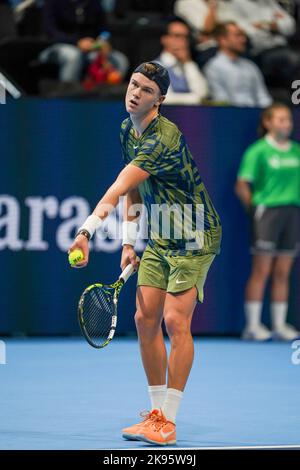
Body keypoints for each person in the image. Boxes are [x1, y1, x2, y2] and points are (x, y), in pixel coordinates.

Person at [68, 61, 222, 446]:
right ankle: (155, 414)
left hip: (194, 235)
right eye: (134, 85)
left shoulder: (162, 138)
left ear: (160, 100)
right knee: (143, 317)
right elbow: (135, 195)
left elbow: (120, 186)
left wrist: (86, 230)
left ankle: (167, 421)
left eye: (146, 91)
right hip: (159, 235)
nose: (135, 93)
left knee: (175, 319)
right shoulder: (127, 130)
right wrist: (127, 242)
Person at [235, 103, 300, 341]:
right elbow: (242, 184)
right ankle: (252, 326)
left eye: (289, 120)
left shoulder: (297, 151)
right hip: (267, 213)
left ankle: (279, 326)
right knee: (262, 269)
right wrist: (256, 209)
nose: (287, 124)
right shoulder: (258, 151)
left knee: (283, 271)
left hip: (292, 213)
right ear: (268, 123)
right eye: (281, 119)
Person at [39, 0, 128, 82]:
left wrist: (103, 40)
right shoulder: (52, 2)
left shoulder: (94, 2)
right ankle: (68, 95)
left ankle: (106, 96)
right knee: (73, 56)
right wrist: (77, 42)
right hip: (58, 46)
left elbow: (104, 29)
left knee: (120, 60)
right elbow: (50, 30)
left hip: (91, 48)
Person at [232, 0, 300, 87]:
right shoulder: (238, 3)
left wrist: (266, 26)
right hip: (260, 51)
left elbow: (291, 25)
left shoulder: (268, 2)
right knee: (293, 59)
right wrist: (275, 27)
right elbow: (251, 33)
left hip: (282, 46)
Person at [204, 22, 272, 107]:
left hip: (257, 116)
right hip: (231, 116)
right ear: (222, 40)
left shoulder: (250, 66)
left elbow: (263, 97)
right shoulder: (213, 67)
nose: (243, 40)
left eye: (243, 36)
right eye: (238, 35)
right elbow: (221, 101)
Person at [156, 18, 208, 104]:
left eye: (185, 37)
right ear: (164, 39)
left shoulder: (189, 64)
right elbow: (164, 99)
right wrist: (195, 98)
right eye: (177, 36)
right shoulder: (156, 67)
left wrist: (188, 62)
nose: (182, 41)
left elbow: (203, 94)